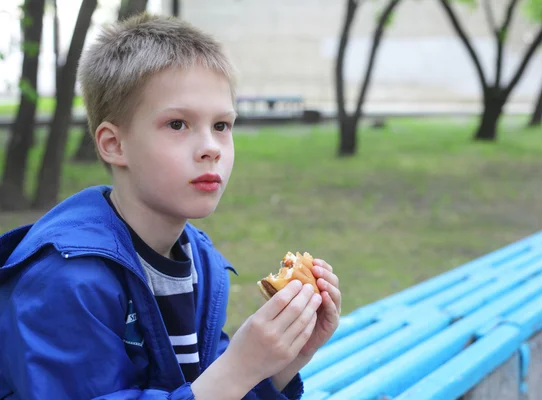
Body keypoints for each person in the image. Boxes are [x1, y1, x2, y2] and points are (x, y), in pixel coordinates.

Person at [0, 13, 341, 399]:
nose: (211, 148)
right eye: (178, 124)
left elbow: (205, 389)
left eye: (222, 126)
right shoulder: (65, 281)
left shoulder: (199, 260)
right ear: (114, 144)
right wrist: (239, 366)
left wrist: (281, 361)